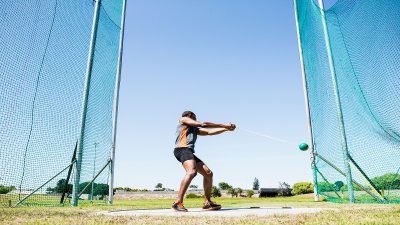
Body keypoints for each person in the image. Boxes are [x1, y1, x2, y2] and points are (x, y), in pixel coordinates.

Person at [172, 111, 236, 212]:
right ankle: (177, 202)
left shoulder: (193, 129)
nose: (196, 119)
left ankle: (207, 203)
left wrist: (226, 129)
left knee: (208, 173)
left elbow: (209, 132)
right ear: (189, 116)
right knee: (192, 172)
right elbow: (203, 124)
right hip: (182, 149)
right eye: (194, 117)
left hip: (188, 151)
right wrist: (224, 124)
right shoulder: (183, 119)